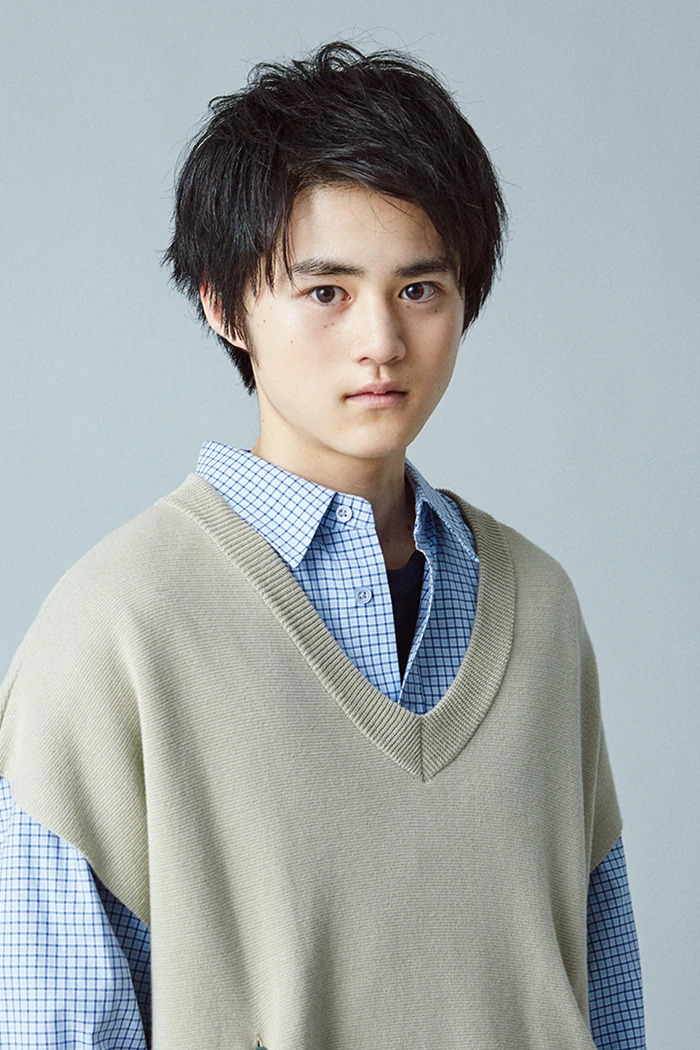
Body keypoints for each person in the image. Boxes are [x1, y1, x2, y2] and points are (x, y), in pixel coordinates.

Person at [0, 39, 645, 1050]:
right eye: (326, 292)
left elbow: (604, 993)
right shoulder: (115, 631)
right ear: (224, 304)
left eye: (419, 289)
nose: (381, 341)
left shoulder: (540, 607)